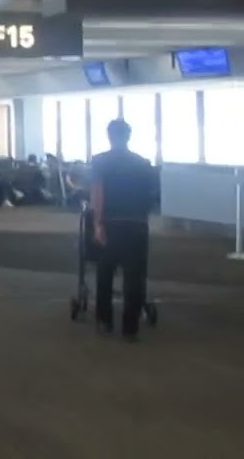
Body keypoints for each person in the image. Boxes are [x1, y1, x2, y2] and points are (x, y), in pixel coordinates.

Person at [90, 119, 157, 341]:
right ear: (129, 136)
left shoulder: (100, 161)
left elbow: (98, 193)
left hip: (111, 224)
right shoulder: (143, 163)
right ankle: (130, 329)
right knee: (135, 278)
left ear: (109, 135)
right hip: (137, 225)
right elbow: (151, 197)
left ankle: (105, 321)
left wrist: (98, 224)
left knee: (105, 274)